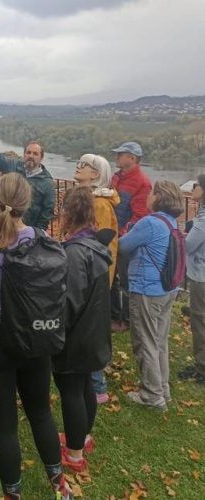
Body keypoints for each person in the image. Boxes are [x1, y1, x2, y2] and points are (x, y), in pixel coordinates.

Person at [0, 173, 71, 500]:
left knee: (5, 425)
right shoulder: (41, 239)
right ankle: (60, 487)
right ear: (26, 204)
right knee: (40, 413)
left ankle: (13, 495)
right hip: (36, 337)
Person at [53, 187, 112, 473]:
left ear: (69, 213)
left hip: (76, 337)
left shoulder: (76, 253)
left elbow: (69, 300)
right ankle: (83, 436)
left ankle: (74, 454)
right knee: (85, 384)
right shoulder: (96, 246)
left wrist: (54, 331)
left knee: (71, 389)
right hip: (93, 333)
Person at [119, 180, 184, 410]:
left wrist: (126, 232)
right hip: (167, 289)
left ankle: (151, 395)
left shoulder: (149, 222)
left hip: (147, 289)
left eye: (151, 193)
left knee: (145, 341)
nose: (148, 196)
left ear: (158, 197)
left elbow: (123, 246)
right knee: (159, 341)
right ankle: (162, 389)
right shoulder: (171, 222)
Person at [73, 154, 119, 404]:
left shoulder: (99, 204)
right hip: (86, 273)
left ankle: (98, 387)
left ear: (96, 173)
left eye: (84, 166)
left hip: (93, 277)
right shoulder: (89, 199)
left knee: (89, 329)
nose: (78, 168)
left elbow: (97, 244)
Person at [0, 120, 55, 230]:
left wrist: (37, 233)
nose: (31, 156)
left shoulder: (47, 183)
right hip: (7, 226)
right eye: (28, 152)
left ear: (41, 158)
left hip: (28, 230)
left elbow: (47, 212)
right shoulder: (13, 166)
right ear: (24, 154)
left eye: (35, 154)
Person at [110, 141, 152, 332]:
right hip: (111, 235)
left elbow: (139, 216)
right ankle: (112, 315)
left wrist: (123, 237)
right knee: (111, 277)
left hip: (124, 239)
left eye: (121, 154)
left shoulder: (142, 183)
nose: (116, 157)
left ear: (132, 158)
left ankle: (126, 321)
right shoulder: (117, 176)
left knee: (126, 280)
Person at [178, 175, 205, 385]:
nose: (193, 188)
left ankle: (202, 368)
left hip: (201, 278)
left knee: (200, 320)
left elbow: (188, 245)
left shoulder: (203, 220)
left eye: (197, 185)